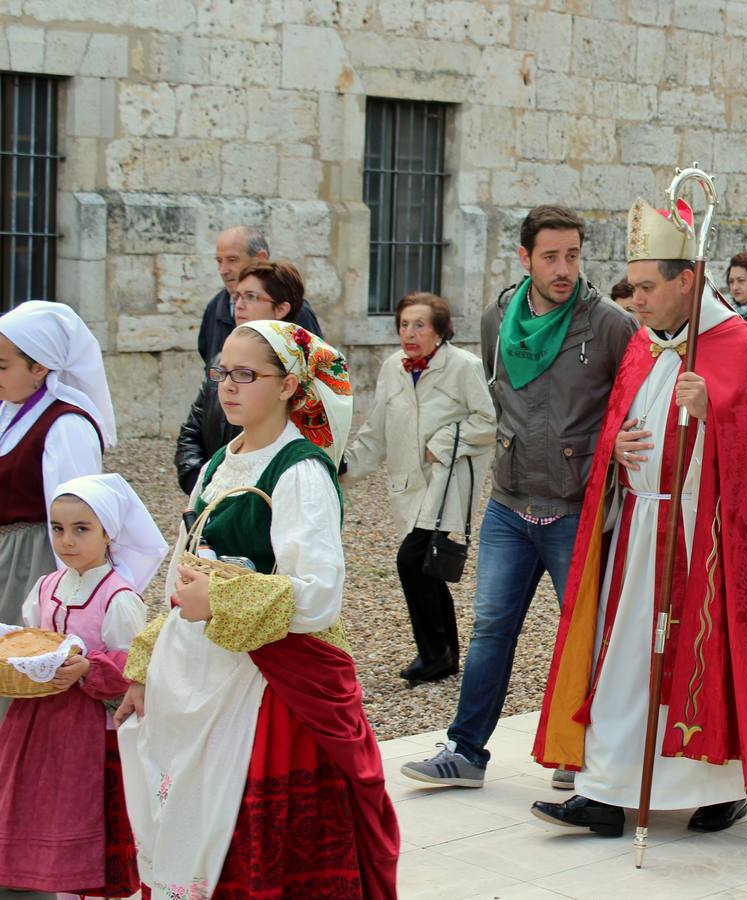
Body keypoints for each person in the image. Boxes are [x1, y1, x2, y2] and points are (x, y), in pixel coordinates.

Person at [528, 197, 747, 839]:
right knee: (622, 662)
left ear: (687, 281)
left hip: (704, 543)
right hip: (639, 534)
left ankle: (718, 788)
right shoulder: (645, 345)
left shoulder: (739, 349)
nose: (637, 301)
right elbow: (622, 423)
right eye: (633, 288)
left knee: (703, 662)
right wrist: (617, 447)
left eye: (648, 288)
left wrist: (717, 415)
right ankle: (606, 788)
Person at [116, 321, 399, 898]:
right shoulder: (222, 461)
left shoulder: (300, 471)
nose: (229, 385)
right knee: (192, 817)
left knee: (252, 832)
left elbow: (319, 591)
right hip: (200, 669)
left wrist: (218, 598)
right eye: (223, 372)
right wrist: (146, 664)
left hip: (272, 683)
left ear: (290, 385)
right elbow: (182, 563)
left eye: (247, 374)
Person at [401, 205, 636, 791]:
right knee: (490, 628)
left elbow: (635, 399)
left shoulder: (608, 324)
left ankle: (576, 751)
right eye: (551, 256)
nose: (564, 269)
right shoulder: (498, 317)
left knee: (585, 631)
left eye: (573, 255)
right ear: (524, 257)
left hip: (575, 506)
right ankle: (465, 752)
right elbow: (497, 395)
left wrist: (618, 446)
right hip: (510, 501)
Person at [0, 473, 165, 898]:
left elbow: (136, 665)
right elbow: (30, 637)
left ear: (109, 534)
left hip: (90, 730)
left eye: (81, 529)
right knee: (42, 806)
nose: (67, 540)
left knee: (81, 813)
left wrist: (89, 668)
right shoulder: (46, 587)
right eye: (57, 528)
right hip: (39, 723)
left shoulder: (119, 597)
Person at [344, 292, 495, 684]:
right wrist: (344, 469)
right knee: (427, 568)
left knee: (410, 562)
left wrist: (444, 442)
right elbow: (377, 427)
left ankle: (432, 655)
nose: (409, 333)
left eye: (419, 325)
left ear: (440, 330)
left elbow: (489, 421)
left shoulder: (464, 366)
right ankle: (444, 656)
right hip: (407, 484)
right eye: (404, 325)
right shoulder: (393, 367)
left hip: (446, 484)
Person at [0, 302, 112, 680]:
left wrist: (71, 595)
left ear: (40, 368)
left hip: (30, 562)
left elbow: (75, 517)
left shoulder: (66, 426)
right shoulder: (8, 411)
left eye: (2, 366)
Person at [175, 259, 310, 495]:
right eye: (237, 297)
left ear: (281, 309)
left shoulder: (306, 372)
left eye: (250, 297)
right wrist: (201, 481)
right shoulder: (220, 360)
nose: (239, 305)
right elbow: (192, 430)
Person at [197, 226, 321, 366]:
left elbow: (311, 369)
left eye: (232, 259)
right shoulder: (216, 305)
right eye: (219, 261)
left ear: (260, 258)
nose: (223, 270)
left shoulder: (297, 311)